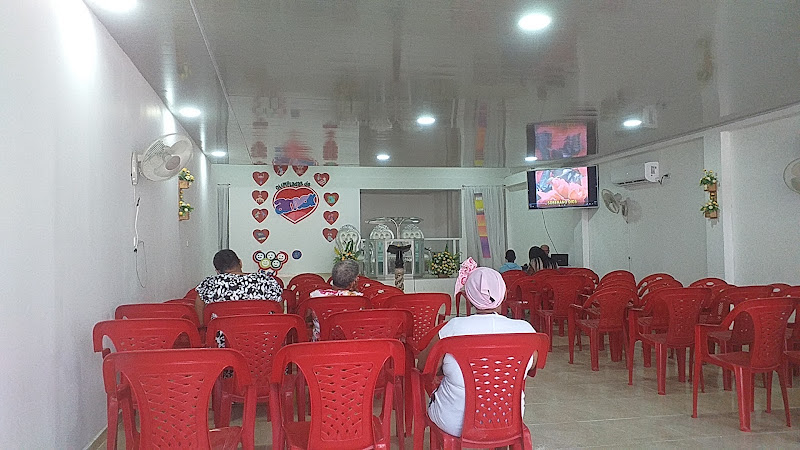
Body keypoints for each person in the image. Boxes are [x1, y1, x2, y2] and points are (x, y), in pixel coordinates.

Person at [417, 261, 536, 437]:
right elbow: (532, 366)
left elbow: (423, 366)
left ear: (468, 298)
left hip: (454, 421)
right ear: (503, 296)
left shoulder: (452, 328)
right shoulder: (526, 330)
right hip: (509, 417)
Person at [194, 249, 282, 328]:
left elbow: (199, 307)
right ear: (240, 263)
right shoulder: (266, 280)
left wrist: (203, 327)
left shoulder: (209, 283)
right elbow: (279, 308)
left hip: (223, 340)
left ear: (217, 271)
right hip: (266, 339)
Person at [307, 259, 363, 340]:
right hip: (349, 345)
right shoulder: (360, 299)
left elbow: (308, 320)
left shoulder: (315, 295)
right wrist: (354, 289)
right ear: (354, 281)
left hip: (321, 345)